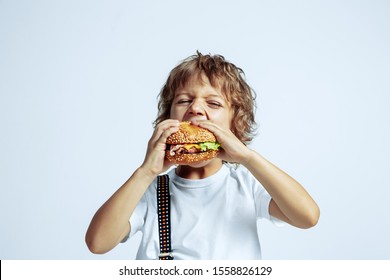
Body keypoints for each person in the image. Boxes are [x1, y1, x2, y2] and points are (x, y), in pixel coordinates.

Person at [85, 51, 320, 259]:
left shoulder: (246, 186)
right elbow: (98, 243)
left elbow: (307, 217)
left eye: (214, 103)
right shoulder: (149, 191)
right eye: (184, 100)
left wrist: (248, 158)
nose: (195, 108)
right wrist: (146, 172)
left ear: (235, 125)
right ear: (168, 119)